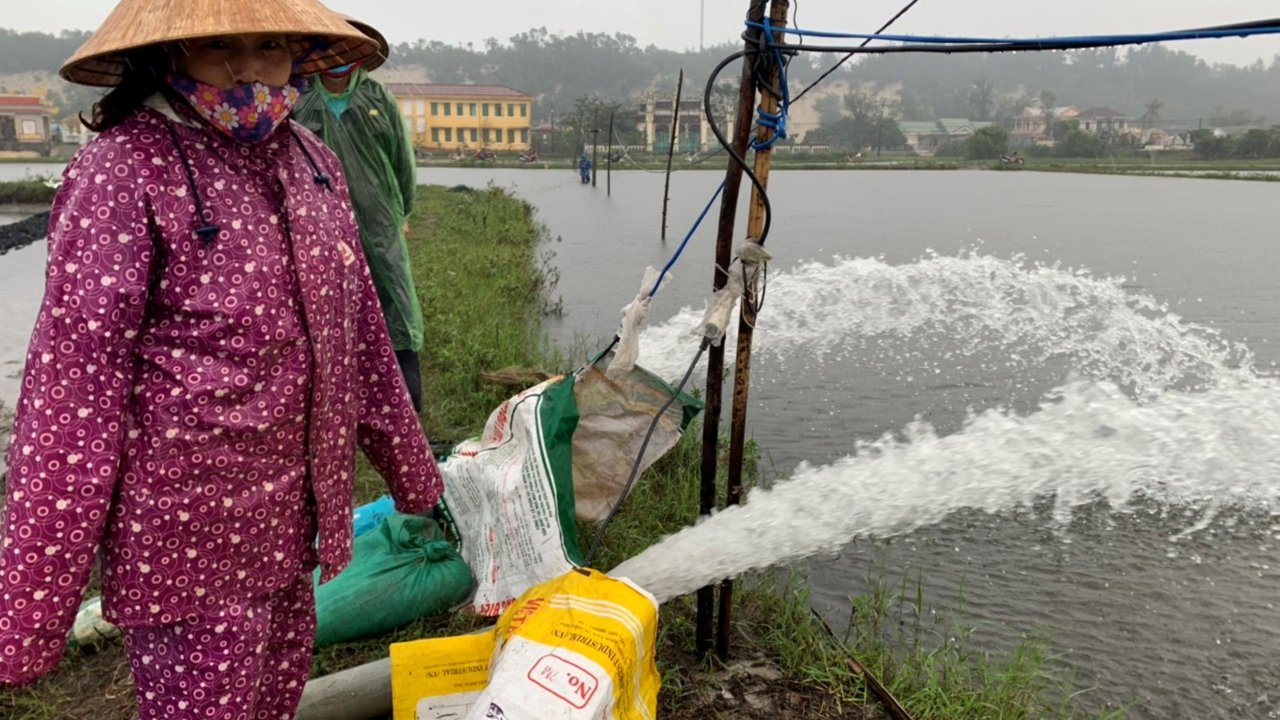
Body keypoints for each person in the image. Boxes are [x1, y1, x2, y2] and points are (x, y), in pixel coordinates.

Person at [0, 1, 443, 718]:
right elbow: (72, 395)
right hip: (185, 543)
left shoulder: (312, 162)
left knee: (275, 698)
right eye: (216, 49)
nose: (248, 71)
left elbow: (361, 336)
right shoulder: (122, 171)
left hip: (294, 522)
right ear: (165, 58)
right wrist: (36, 606)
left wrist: (414, 477)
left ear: (297, 52)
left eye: (269, 46)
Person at [292, 16, 427, 411]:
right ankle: (337, 400)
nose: (336, 58)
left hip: (379, 219)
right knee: (328, 302)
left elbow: (402, 159)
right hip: (318, 220)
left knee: (394, 301)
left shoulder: (376, 97)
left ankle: (406, 397)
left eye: (344, 49)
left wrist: (402, 211)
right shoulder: (300, 99)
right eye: (328, 48)